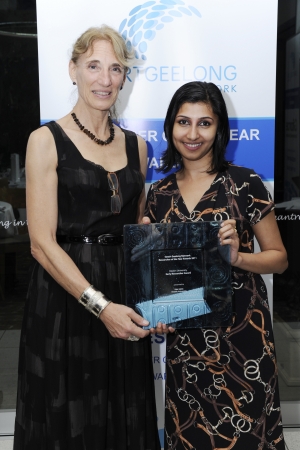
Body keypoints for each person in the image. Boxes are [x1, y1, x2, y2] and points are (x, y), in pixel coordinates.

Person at [13, 25, 161, 450]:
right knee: (69, 410)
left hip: (123, 293)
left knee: (123, 408)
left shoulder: (138, 146)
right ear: (73, 69)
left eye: (116, 69)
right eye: (94, 66)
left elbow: (137, 230)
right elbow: (41, 243)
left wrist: (163, 290)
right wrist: (101, 307)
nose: (106, 79)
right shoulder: (45, 140)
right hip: (66, 298)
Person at [144, 81, 288, 450]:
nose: (193, 134)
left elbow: (279, 258)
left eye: (204, 123)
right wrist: (151, 303)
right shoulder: (158, 195)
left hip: (244, 343)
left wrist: (238, 257)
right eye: (183, 122)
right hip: (185, 349)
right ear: (170, 127)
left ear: (220, 128)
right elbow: (155, 278)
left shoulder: (245, 183)